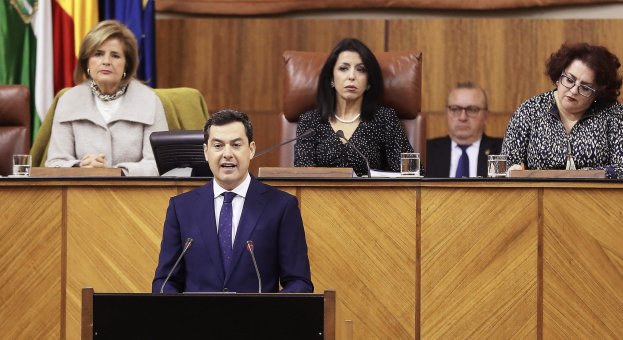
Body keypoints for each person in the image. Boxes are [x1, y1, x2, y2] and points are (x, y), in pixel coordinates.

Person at [153, 110, 313, 293]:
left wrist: (271, 314)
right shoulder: (181, 208)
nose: (227, 154)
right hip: (196, 319)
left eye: (236, 145)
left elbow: (299, 282)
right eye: (218, 146)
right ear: (206, 152)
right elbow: (165, 281)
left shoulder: (282, 206)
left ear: (251, 149)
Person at [46, 20, 167, 176]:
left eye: (115, 56)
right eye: (98, 54)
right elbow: (54, 163)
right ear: (87, 62)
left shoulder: (149, 101)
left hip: (132, 196)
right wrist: (80, 167)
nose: (106, 62)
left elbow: (158, 164)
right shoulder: (68, 100)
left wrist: (118, 172)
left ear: (127, 65)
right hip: (79, 195)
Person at [502, 42, 623, 179]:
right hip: (540, 196)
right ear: (558, 77)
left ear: (598, 92)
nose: (574, 91)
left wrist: (577, 176)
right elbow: (508, 164)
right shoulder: (530, 110)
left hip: (598, 198)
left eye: (585, 87)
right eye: (569, 80)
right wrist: (515, 170)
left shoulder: (615, 114)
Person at [294, 38, 417, 177]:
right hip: (320, 198)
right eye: (343, 69)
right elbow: (302, 178)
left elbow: (411, 174)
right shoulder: (310, 122)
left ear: (369, 82)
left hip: (372, 197)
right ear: (331, 79)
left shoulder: (384, 118)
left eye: (361, 70)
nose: (351, 76)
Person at [426, 82, 502, 177]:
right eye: (455, 109)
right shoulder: (425, 151)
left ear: (486, 116)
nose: (462, 117)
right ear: (446, 113)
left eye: (472, 110)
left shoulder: (502, 151)